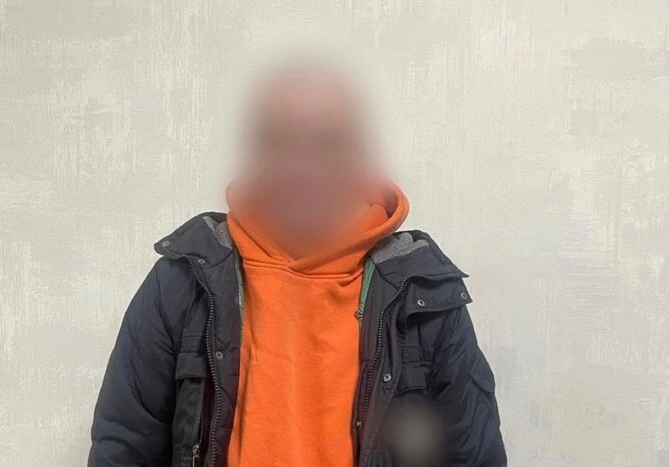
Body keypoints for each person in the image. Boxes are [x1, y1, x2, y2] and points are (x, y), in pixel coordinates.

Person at [88, 59, 506, 467]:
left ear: (360, 161)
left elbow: (473, 457)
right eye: (278, 141)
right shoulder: (181, 282)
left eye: (327, 144)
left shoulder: (425, 294)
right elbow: (123, 448)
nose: (299, 169)